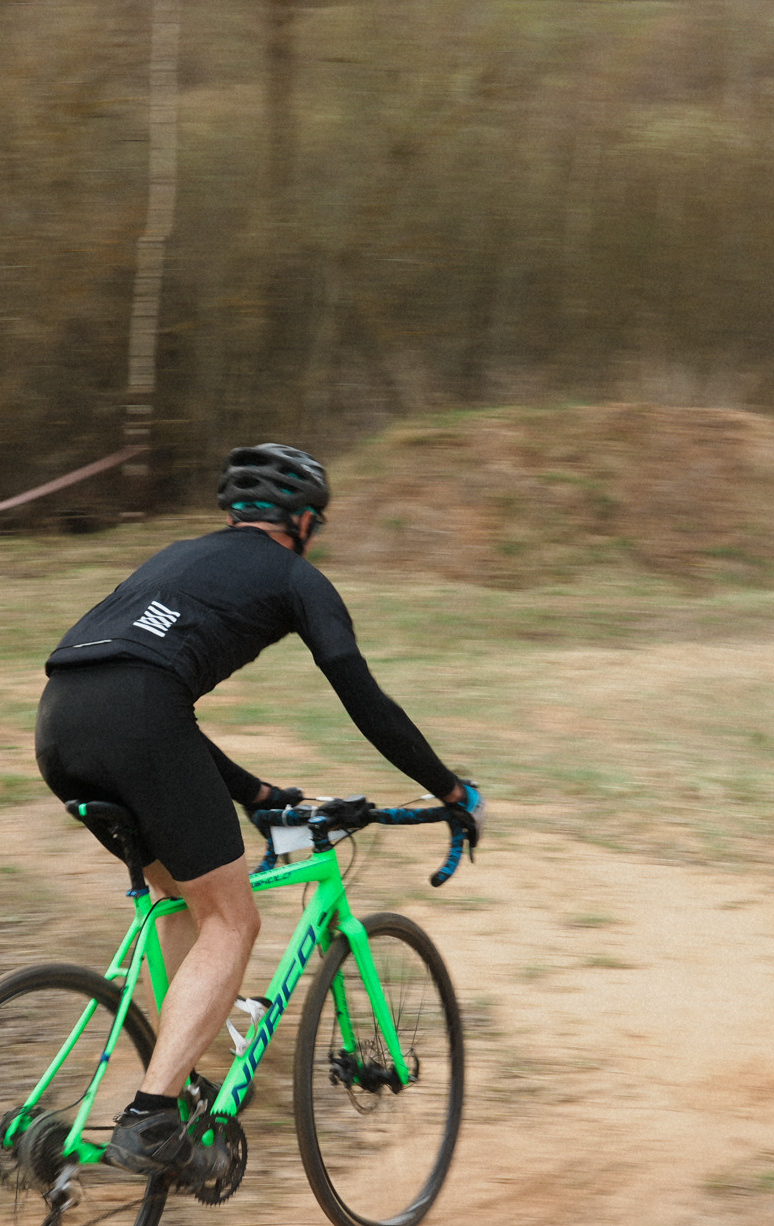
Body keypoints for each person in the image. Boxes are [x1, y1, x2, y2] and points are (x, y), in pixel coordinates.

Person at [34, 443, 482, 1177]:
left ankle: (167, 1091)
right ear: (303, 520)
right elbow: (361, 697)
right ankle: (150, 1119)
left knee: (182, 900)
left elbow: (137, 689)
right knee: (235, 917)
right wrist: (449, 789)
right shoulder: (294, 577)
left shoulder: (177, 556)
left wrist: (251, 792)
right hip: (143, 719)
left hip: (59, 719)